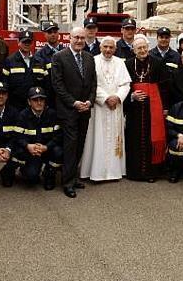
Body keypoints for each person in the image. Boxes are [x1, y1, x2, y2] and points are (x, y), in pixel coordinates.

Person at [51, 27, 97, 198]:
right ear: (69, 38)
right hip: (68, 110)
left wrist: (89, 102)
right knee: (70, 146)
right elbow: (58, 85)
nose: (79, 41)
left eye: (82, 38)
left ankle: (73, 176)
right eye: (76, 37)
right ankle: (68, 182)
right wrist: (74, 103)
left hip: (84, 110)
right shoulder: (59, 57)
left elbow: (93, 83)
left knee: (80, 144)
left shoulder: (89, 57)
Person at [81, 37, 132, 181]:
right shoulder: (92, 61)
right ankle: (95, 172)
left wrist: (117, 97)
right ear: (100, 47)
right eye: (106, 47)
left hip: (116, 106)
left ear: (115, 49)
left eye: (111, 47)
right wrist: (105, 98)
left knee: (114, 139)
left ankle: (113, 172)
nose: (108, 50)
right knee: (97, 138)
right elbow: (90, 85)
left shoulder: (120, 63)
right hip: (99, 107)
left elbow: (126, 84)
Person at [124, 35, 168, 182]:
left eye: (144, 47)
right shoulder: (128, 64)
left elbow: (165, 87)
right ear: (133, 50)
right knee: (134, 138)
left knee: (151, 138)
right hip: (134, 109)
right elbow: (123, 85)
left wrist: (165, 107)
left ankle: (151, 173)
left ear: (148, 48)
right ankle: (134, 172)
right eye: (139, 48)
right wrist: (132, 94)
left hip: (152, 108)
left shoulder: (158, 63)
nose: (142, 50)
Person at [1, 86, 63, 189]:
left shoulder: (52, 115)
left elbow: (58, 136)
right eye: (35, 100)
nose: (39, 103)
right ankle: (7, 172)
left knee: (59, 152)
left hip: (45, 149)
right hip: (30, 151)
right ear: (29, 102)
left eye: (41, 99)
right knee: (31, 176)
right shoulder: (23, 116)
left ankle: (49, 174)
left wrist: (46, 147)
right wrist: (27, 146)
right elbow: (17, 137)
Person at [3, 30, 48, 111]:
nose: (27, 44)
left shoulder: (40, 62)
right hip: (15, 107)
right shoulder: (9, 61)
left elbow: (46, 85)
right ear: (18, 42)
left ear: (32, 43)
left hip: (36, 107)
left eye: (29, 42)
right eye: (24, 42)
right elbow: (5, 85)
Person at [34, 20, 64, 107]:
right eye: (49, 32)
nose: (53, 34)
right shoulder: (39, 55)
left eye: (55, 32)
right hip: (49, 99)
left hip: (66, 97)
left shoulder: (67, 52)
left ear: (58, 34)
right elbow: (39, 81)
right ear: (44, 34)